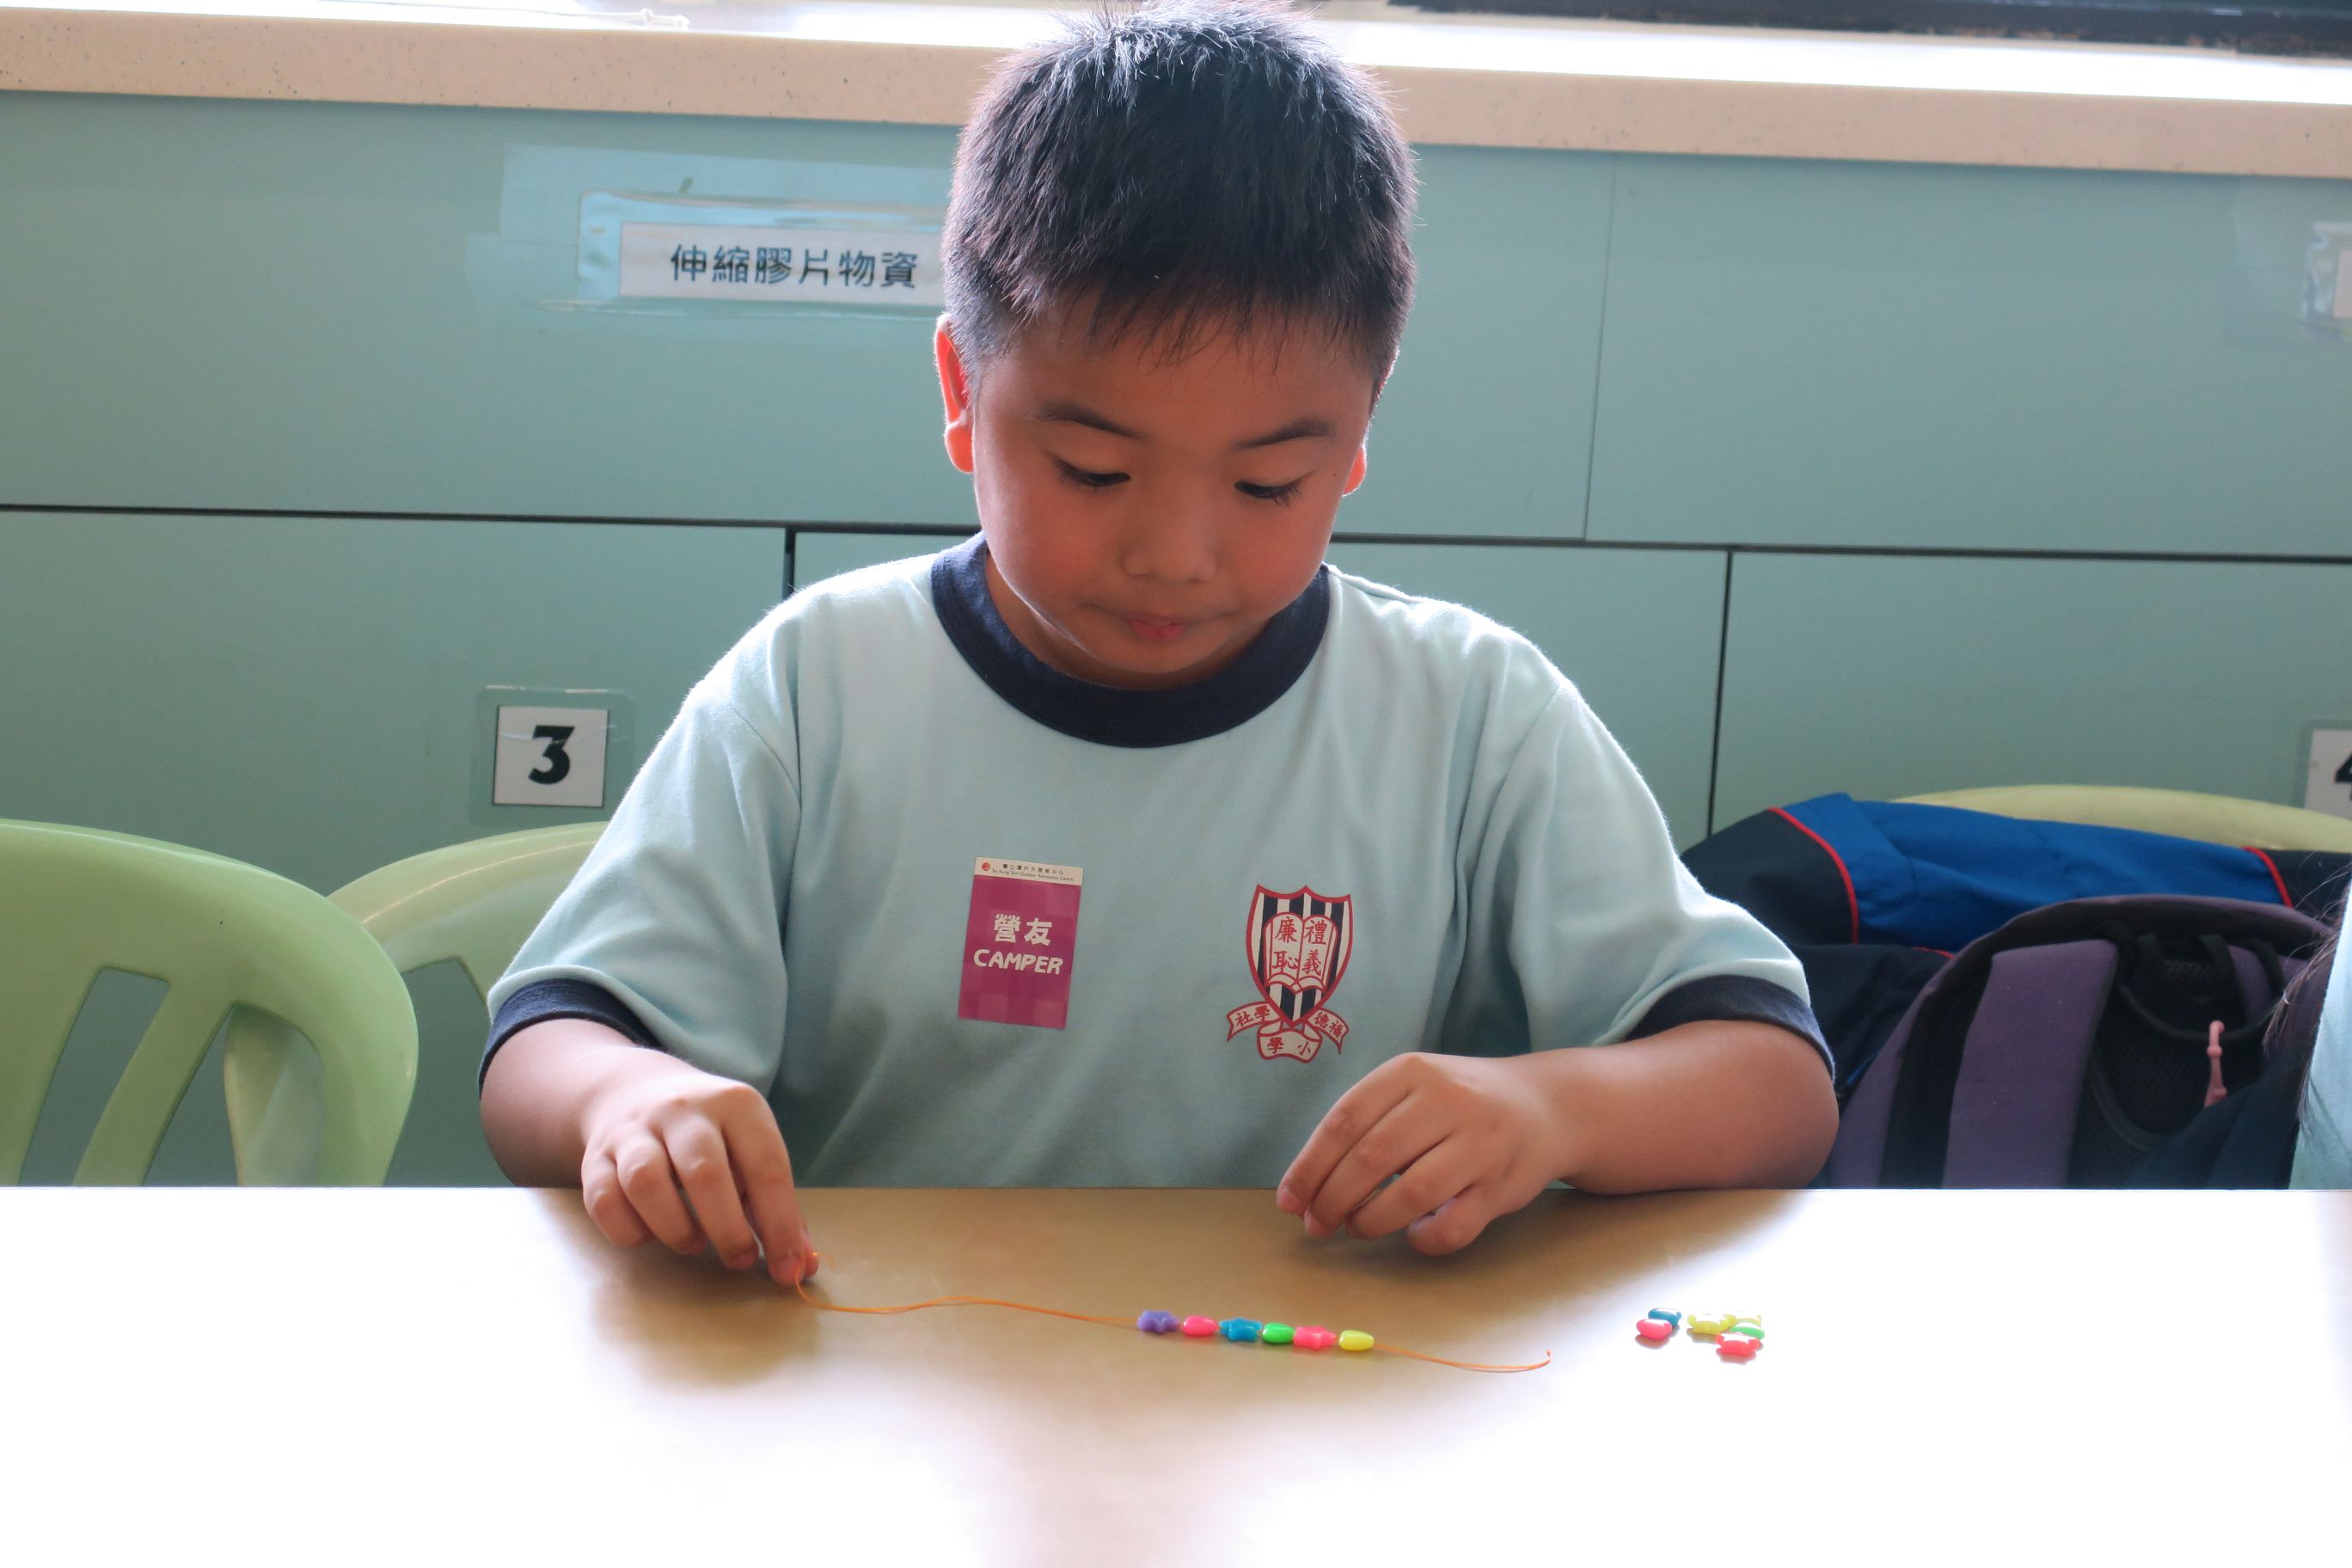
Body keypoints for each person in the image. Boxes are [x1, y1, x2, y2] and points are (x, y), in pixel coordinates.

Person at [478, 0, 1838, 1288]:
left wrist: (1552, 1109)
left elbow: (1776, 1085)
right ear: (961, 392)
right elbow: (551, 1040)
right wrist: (629, 1100)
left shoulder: (1471, 715)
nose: (1177, 554)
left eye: (1267, 485)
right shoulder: (816, 690)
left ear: (1359, 436)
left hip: (1320, 1392)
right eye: (1093, 469)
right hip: (890, 1376)